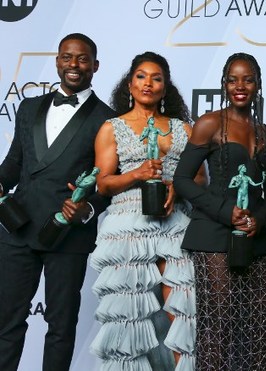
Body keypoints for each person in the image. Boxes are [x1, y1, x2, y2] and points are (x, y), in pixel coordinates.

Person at [0, 33, 114, 371]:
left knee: (61, 328)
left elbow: (106, 184)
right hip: (17, 228)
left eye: (82, 59)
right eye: (67, 57)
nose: (74, 65)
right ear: (57, 61)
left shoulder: (108, 120)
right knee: (6, 324)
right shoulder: (29, 106)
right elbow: (14, 163)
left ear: (95, 65)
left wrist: (87, 209)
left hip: (68, 235)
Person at [90, 51, 202, 370]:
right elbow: (102, 184)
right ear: (130, 83)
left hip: (174, 221)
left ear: (165, 88)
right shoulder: (113, 128)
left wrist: (176, 186)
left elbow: (199, 178)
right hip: (127, 224)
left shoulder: (183, 129)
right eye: (141, 76)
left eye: (156, 78)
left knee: (183, 309)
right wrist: (136, 174)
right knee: (130, 314)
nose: (148, 83)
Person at [173, 52, 266, 370]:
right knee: (218, 328)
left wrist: (259, 221)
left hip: (256, 238)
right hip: (213, 236)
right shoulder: (209, 124)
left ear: (257, 84)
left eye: (247, 79)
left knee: (264, 325)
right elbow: (182, 180)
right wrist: (225, 211)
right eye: (233, 79)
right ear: (223, 84)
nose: (240, 85)